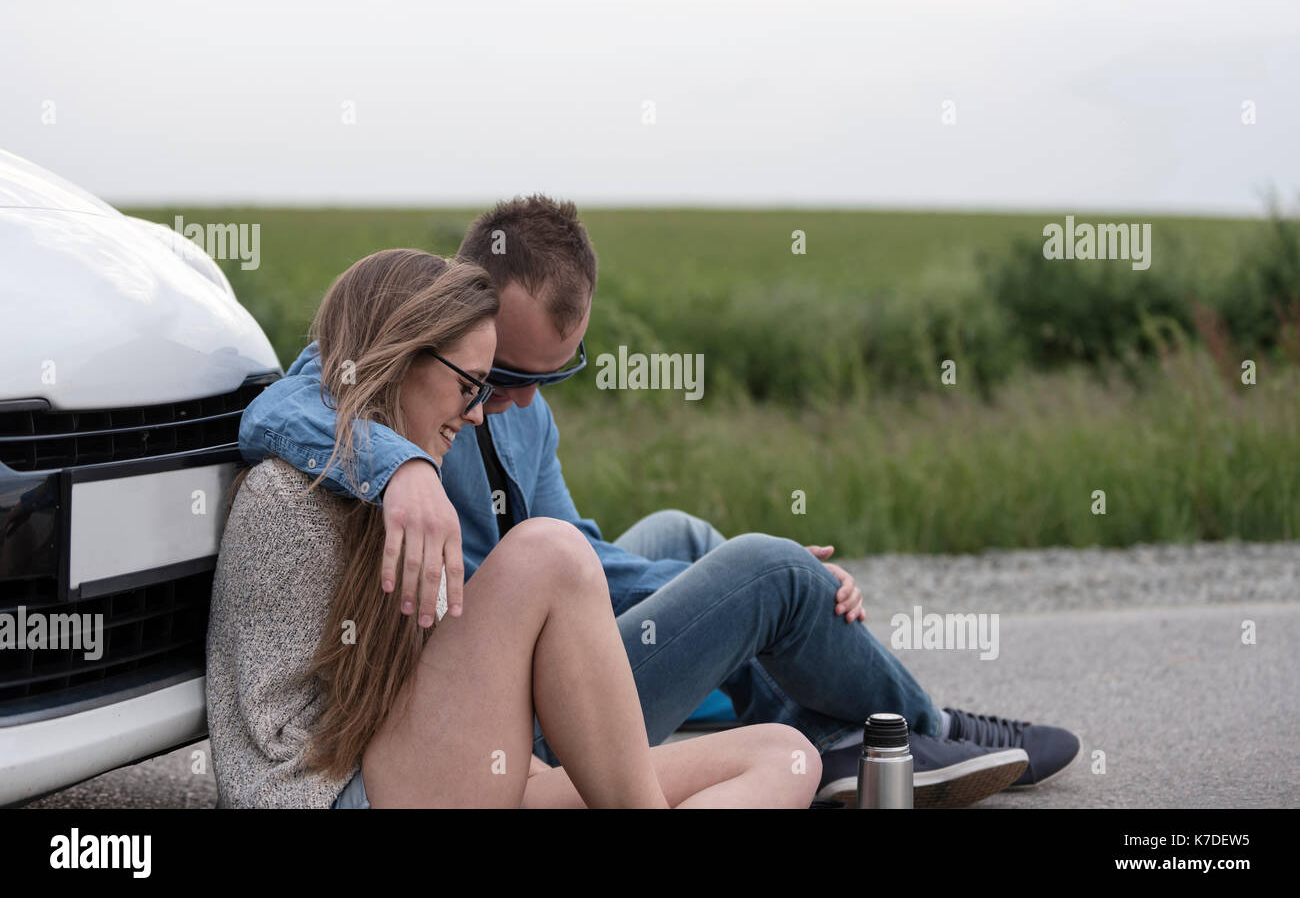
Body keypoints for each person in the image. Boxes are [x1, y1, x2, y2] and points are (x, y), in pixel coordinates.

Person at [240, 199, 1082, 807]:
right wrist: (401, 469)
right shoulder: (401, 382)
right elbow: (274, 411)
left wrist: (726, 587)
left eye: (548, 380)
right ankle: (919, 730)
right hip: (483, 706)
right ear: (452, 314)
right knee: (762, 573)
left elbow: (584, 557)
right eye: (502, 376)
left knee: (686, 540)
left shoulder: (516, 422)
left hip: (527, 644)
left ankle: (831, 730)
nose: (518, 401)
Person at [206, 248, 821, 808]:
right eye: (470, 386)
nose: (478, 414)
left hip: (450, 776)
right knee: (549, 551)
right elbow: (282, 758)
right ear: (398, 357)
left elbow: (430, 689)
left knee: (785, 755)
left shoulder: (411, 497)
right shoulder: (288, 498)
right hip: (339, 796)